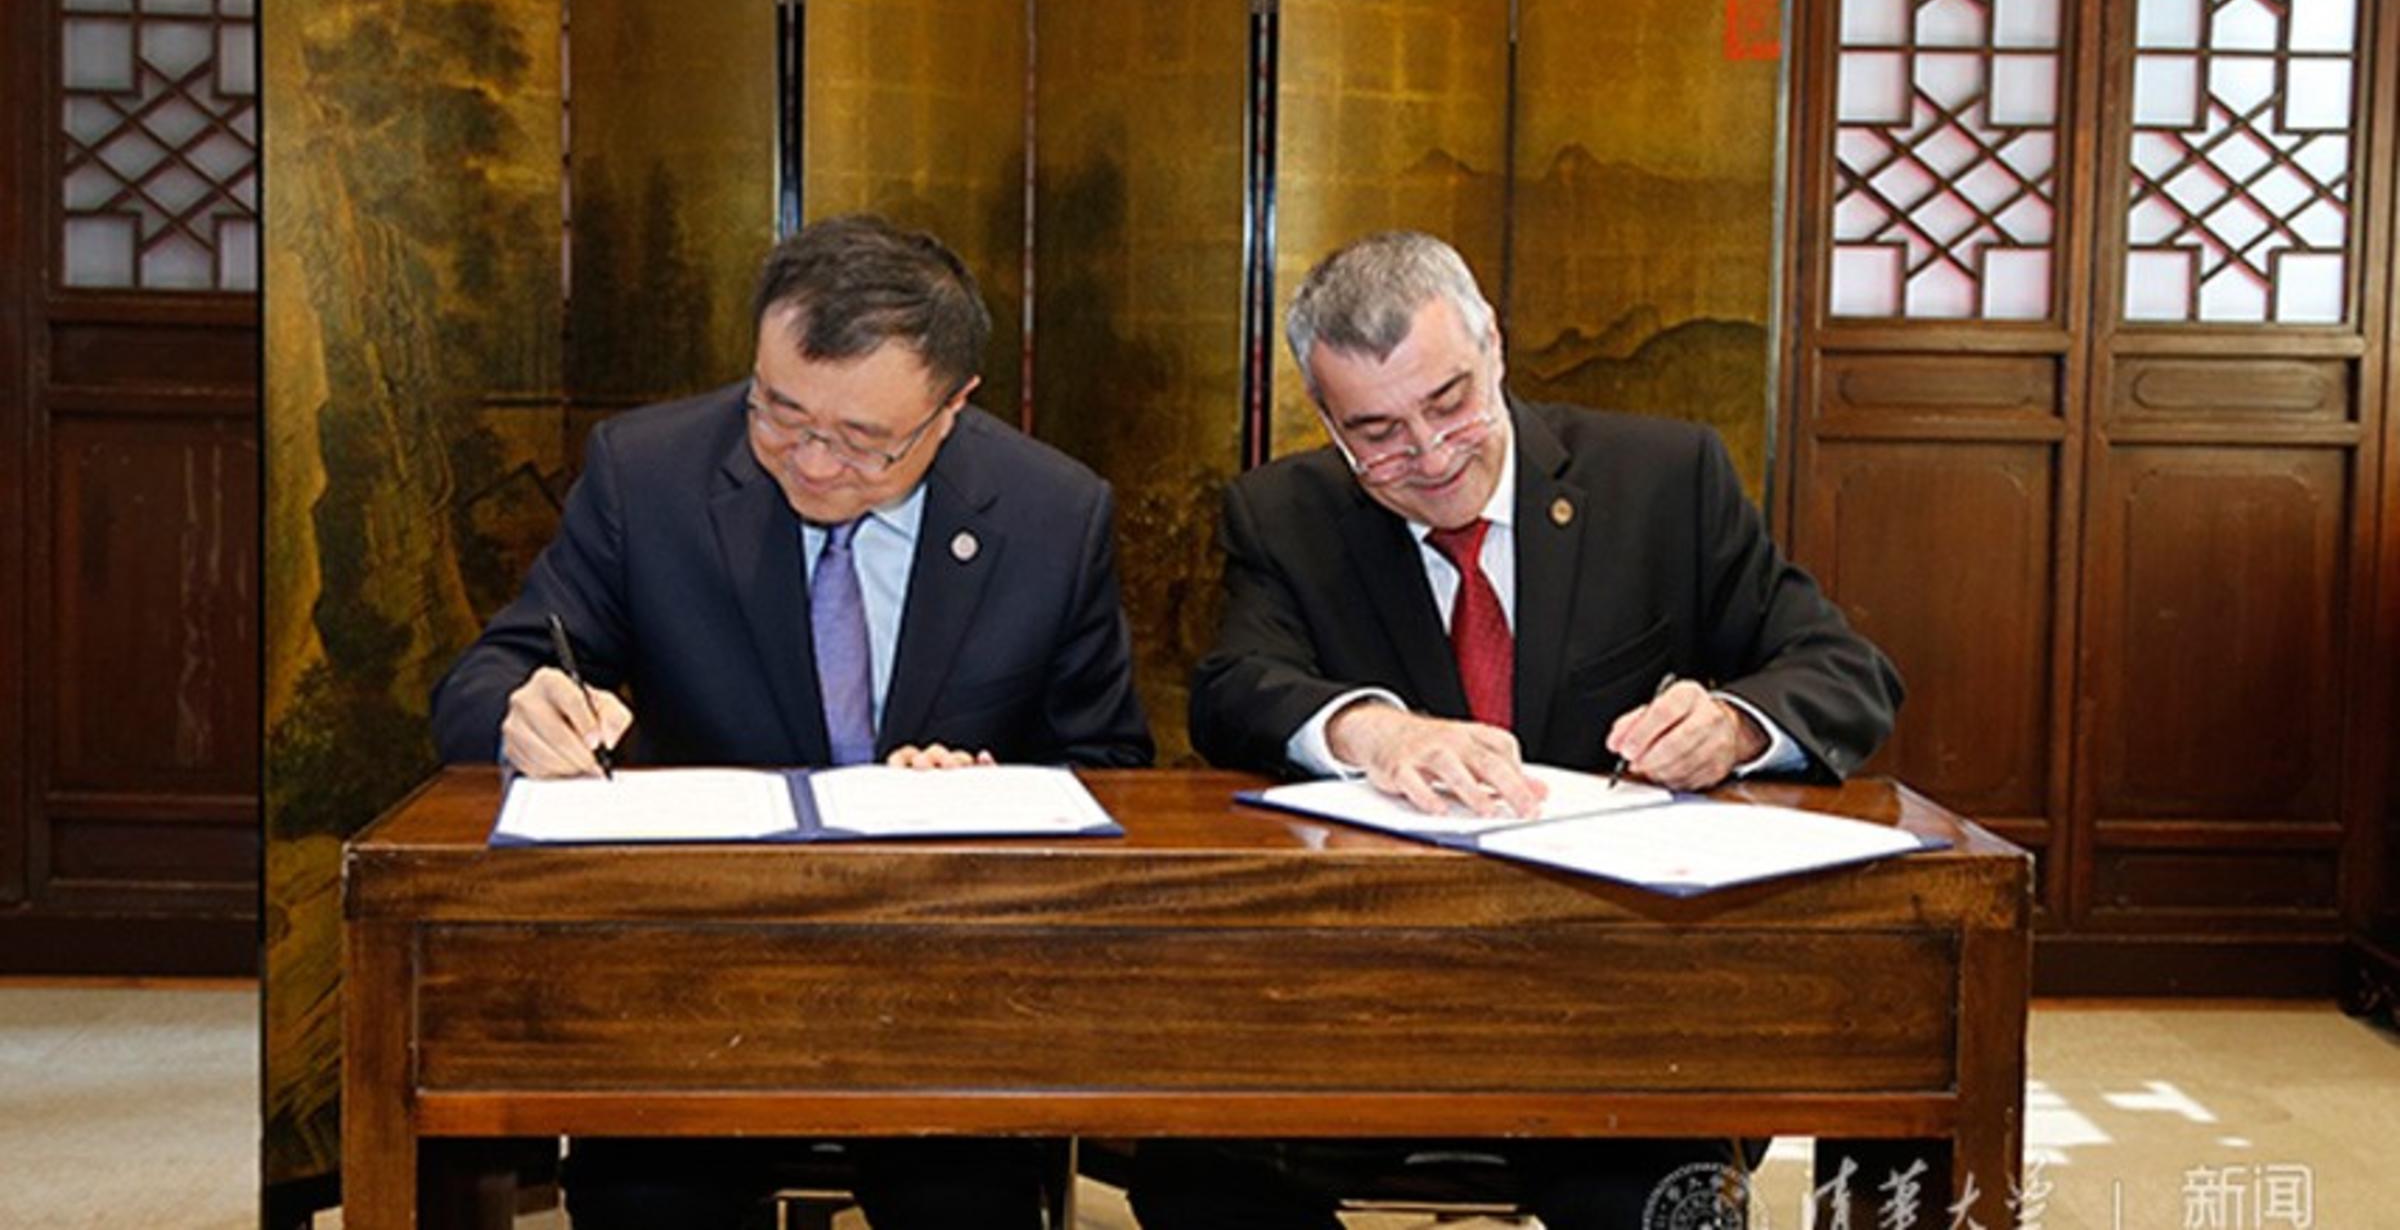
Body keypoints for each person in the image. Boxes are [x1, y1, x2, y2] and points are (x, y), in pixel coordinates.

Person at [1129, 229, 1900, 1229]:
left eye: (1449, 402)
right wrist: (1377, 734)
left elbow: (1847, 673)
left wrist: (1736, 725)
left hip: (1616, 997)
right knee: (1194, 1179)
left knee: (1663, 1205)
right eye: (1379, 432)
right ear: (1324, 419)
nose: (1431, 453)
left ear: (1493, 345)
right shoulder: (1286, 513)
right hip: (1362, 998)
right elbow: (1233, 690)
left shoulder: (1663, 479)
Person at [432, 213, 1152, 1230]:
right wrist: (521, 713)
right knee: (647, 1198)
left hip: (943, 983)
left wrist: (989, 786)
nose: (812, 462)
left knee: (965, 1202)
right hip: (694, 967)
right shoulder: (650, 476)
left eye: (864, 440)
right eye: (779, 413)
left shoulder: (1050, 514)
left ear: (953, 408)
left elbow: (1112, 762)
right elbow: (489, 673)